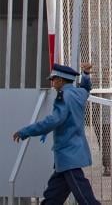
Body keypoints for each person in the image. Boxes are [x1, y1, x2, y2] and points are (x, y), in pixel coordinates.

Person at [11, 62, 101, 205]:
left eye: (53, 80)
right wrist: (85, 75)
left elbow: (53, 120)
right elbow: (86, 88)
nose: (52, 83)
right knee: (53, 196)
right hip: (71, 153)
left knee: (85, 197)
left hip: (68, 154)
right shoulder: (79, 94)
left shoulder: (63, 96)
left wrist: (26, 131)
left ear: (60, 80)